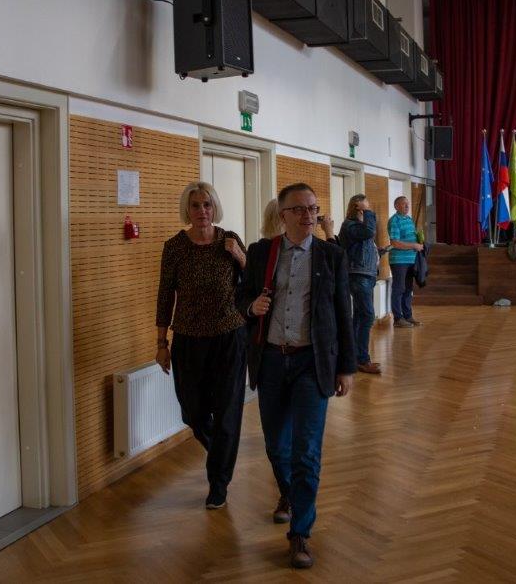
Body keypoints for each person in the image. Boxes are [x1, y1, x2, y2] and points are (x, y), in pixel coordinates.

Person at [237, 183, 356, 569]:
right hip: (271, 361)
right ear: (283, 214)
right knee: (277, 446)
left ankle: (300, 532)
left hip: (312, 363)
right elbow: (241, 298)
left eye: (313, 209)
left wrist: (347, 366)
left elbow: (343, 313)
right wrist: (251, 306)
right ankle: (288, 493)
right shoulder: (261, 253)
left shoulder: (331, 255)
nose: (309, 216)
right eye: (300, 209)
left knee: (306, 451)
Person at [155, 182, 248, 510]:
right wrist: (161, 342)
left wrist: (240, 256)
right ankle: (221, 453)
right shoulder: (175, 247)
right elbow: (165, 296)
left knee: (227, 412)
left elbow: (253, 282)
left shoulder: (230, 240)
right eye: (195, 205)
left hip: (229, 337)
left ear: (214, 207)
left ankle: (218, 483)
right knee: (192, 410)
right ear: (187, 210)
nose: (202, 211)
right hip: (189, 340)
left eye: (207, 204)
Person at [338, 194, 382, 375]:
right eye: (365, 206)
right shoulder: (350, 225)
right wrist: (369, 212)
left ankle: (355, 358)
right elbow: (369, 232)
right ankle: (362, 359)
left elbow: (366, 240)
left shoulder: (359, 226)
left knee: (360, 317)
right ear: (357, 207)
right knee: (367, 315)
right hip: (358, 275)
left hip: (366, 275)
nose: (368, 208)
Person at [387, 195, 424, 327]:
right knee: (399, 288)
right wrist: (414, 245)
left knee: (408, 289)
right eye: (404, 204)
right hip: (399, 260)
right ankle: (398, 319)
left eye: (408, 204)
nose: (407, 206)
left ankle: (408, 316)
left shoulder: (409, 219)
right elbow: (395, 243)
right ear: (396, 206)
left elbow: (410, 239)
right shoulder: (394, 221)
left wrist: (419, 241)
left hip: (411, 260)